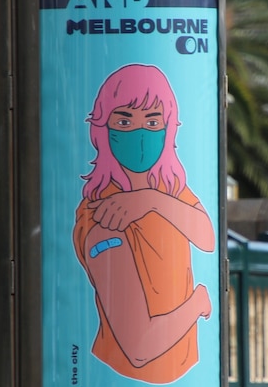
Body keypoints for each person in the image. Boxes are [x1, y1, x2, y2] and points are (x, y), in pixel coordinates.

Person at [73, 63, 215, 384]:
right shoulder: (104, 216)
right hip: (125, 376)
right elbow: (138, 347)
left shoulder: (165, 188)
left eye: (153, 121)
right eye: (124, 120)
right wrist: (197, 303)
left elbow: (207, 237)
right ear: (102, 129)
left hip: (185, 372)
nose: (140, 133)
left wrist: (151, 200)